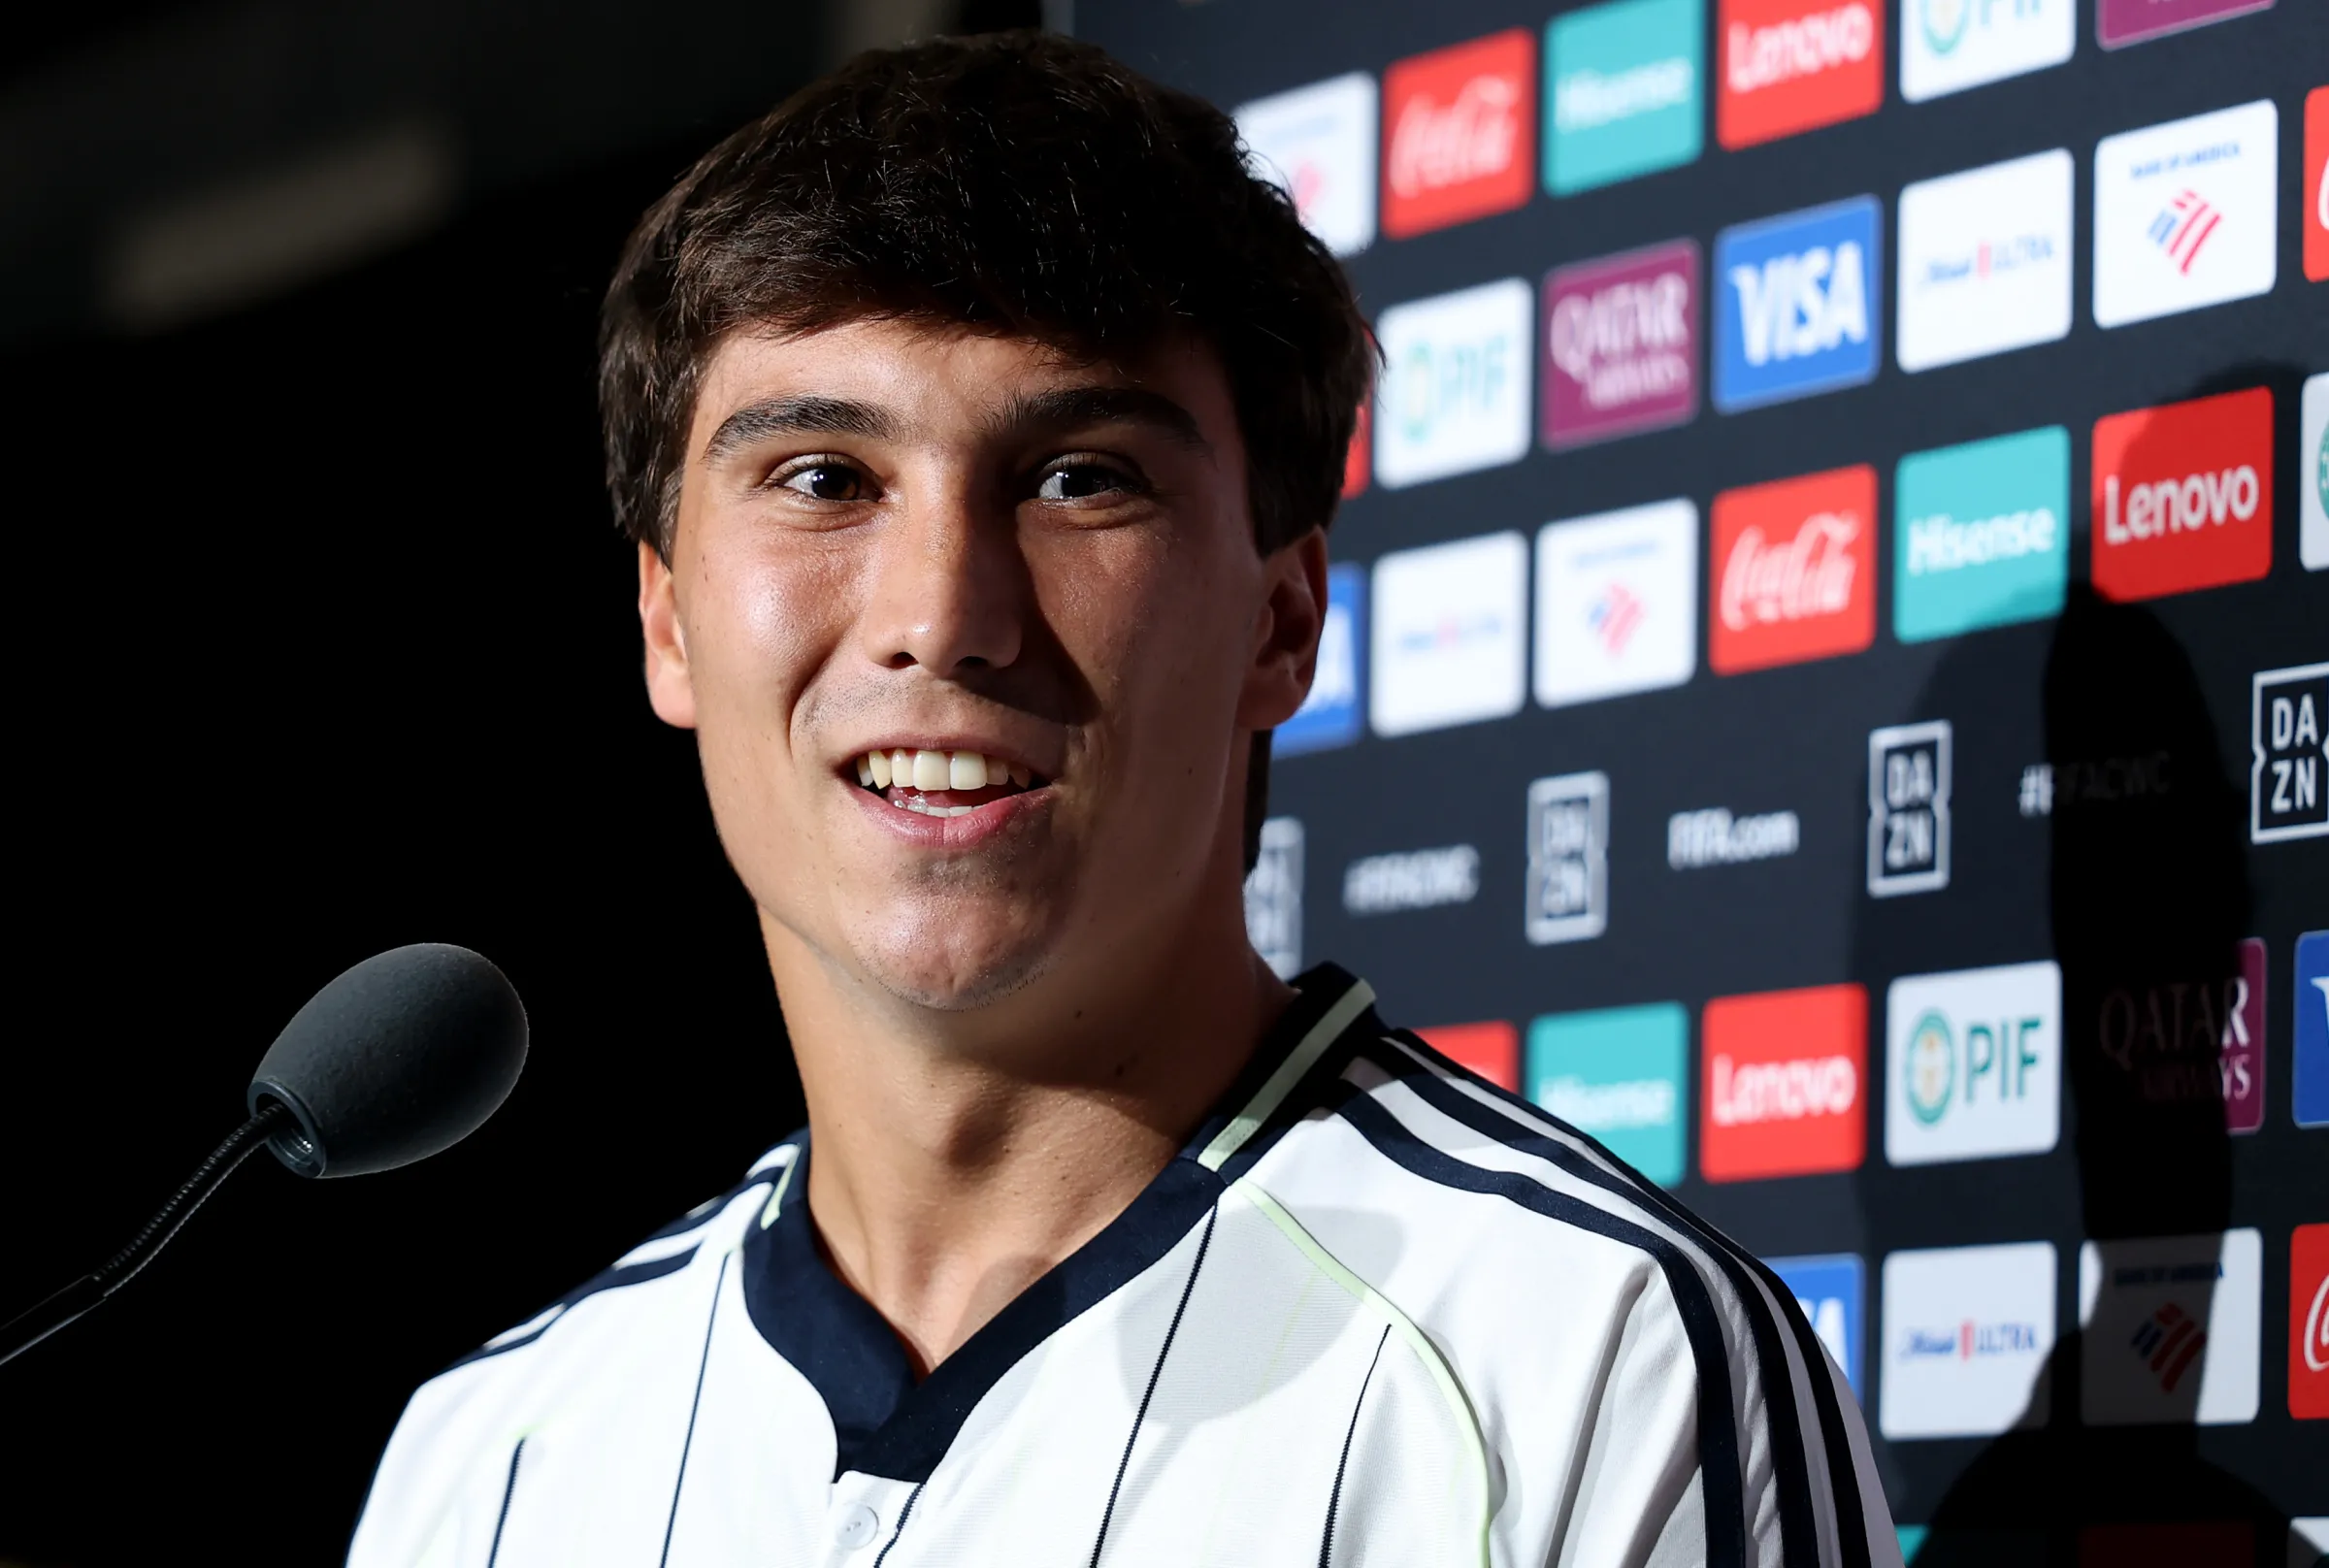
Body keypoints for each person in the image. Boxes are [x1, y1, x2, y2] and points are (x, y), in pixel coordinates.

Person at [346, 30, 1897, 1568]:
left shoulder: (1597, 1367)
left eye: (1079, 475)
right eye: (823, 476)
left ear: (1280, 625)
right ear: (668, 618)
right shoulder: (490, 1459)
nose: (943, 610)